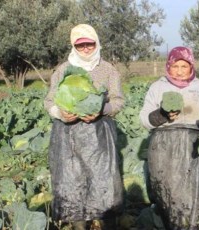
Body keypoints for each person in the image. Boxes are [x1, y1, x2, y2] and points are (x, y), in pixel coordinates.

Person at [44, 24, 124, 230]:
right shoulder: (63, 70)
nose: (86, 48)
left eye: (90, 44)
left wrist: (102, 110)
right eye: (81, 45)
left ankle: (108, 222)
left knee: (104, 181)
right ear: (74, 47)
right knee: (72, 180)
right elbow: (49, 101)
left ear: (97, 43)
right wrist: (60, 114)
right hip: (68, 134)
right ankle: (79, 225)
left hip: (99, 134)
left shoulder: (108, 69)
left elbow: (118, 101)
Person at [139, 46, 199, 229]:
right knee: (168, 194)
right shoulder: (158, 87)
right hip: (163, 149)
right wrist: (161, 115)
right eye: (175, 66)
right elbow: (144, 119)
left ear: (191, 67)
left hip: (196, 148)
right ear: (168, 66)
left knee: (198, 195)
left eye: (184, 66)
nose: (179, 71)